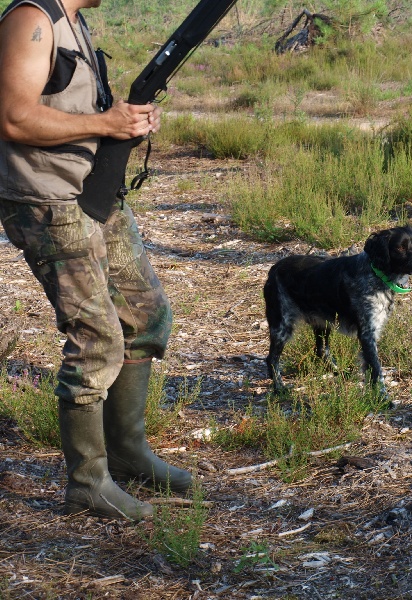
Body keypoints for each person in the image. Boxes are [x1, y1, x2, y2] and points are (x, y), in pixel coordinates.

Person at [0, 0, 192, 520]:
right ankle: (87, 483)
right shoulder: (31, 20)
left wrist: (124, 123)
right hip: (48, 201)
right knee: (96, 339)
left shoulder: (73, 22)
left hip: (89, 192)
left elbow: (78, 111)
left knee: (145, 314)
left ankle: (127, 454)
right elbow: (14, 118)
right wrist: (106, 121)